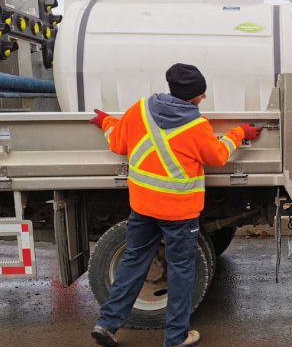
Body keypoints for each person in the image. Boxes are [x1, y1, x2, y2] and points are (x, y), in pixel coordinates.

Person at [88, 63, 260, 347]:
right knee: (181, 270)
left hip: (143, 206)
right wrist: (238, 133)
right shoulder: (197, 126)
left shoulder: (139, 110)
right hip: (179, 213)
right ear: (193, 97)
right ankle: (175, 337)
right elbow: (217, 156)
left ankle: (107, 324)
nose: (203, 99)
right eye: (202, 95)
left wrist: (107, 122)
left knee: (133, 262)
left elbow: (118, 143)